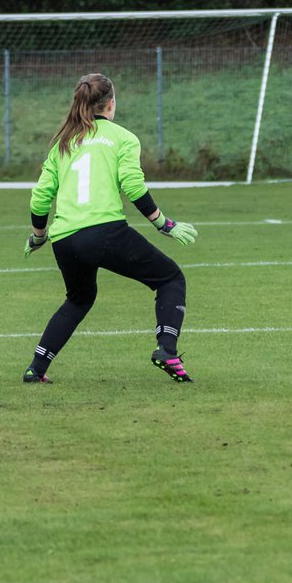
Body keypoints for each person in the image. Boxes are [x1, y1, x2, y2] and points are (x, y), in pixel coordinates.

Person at [22, 73, 199, 383]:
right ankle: (167, 349)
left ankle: (35, 369)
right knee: (170, 278)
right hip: (103, 232)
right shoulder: (122, 137)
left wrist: (38, 237)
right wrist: (163, 224)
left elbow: (40, 198)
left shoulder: (63, 143)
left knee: (79, 299)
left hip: (63, 239)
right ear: (111, 104)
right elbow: (133, 185)